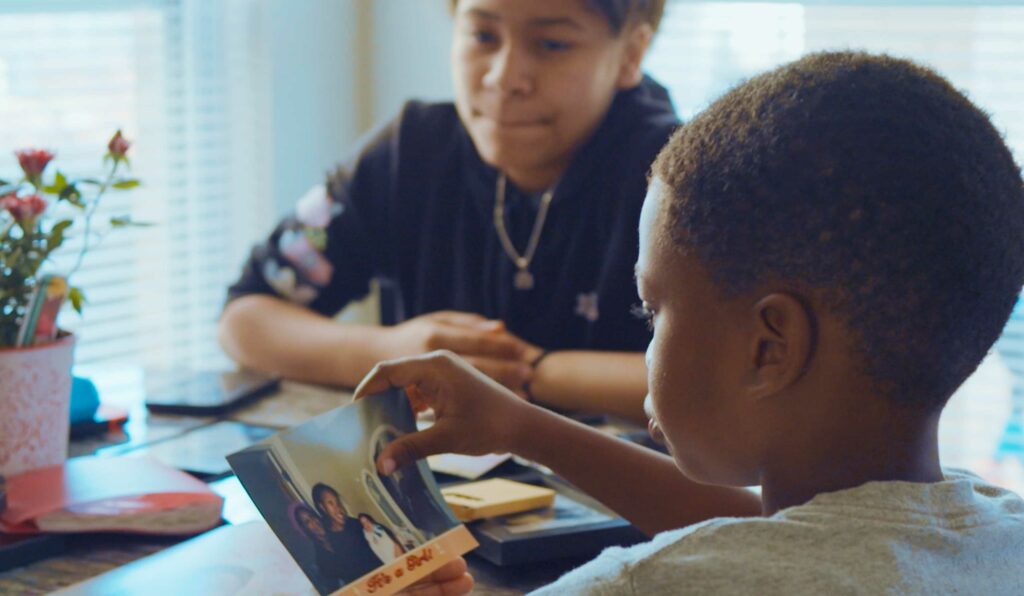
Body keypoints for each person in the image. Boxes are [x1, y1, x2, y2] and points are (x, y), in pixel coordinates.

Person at [355, 52, 1024, 594]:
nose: (646, 344)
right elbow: (799, 533)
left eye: (652, 310)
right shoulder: (1002, 530)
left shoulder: (642, 584)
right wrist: (522, 427)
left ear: (770, 348)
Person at [218, 0, 679, 420]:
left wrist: (529, 371)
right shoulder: (409, 152)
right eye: (483, 36)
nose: (504, 76)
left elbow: (734, 381)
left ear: (630, 55)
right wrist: (392, 351)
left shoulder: (683, 179)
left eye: (551, 44)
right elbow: (245, 318)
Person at [310, 482, 382, 580]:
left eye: (338, 502)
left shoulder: (357, 524)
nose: (338, 508)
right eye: (331, 503)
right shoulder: (328, 540)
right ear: (322, 507)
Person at [289, 502, 350, 592]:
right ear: (305, 529)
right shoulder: (321, 560)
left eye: (312, 516)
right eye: (307, 522)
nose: (314, 522)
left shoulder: (341, 533)